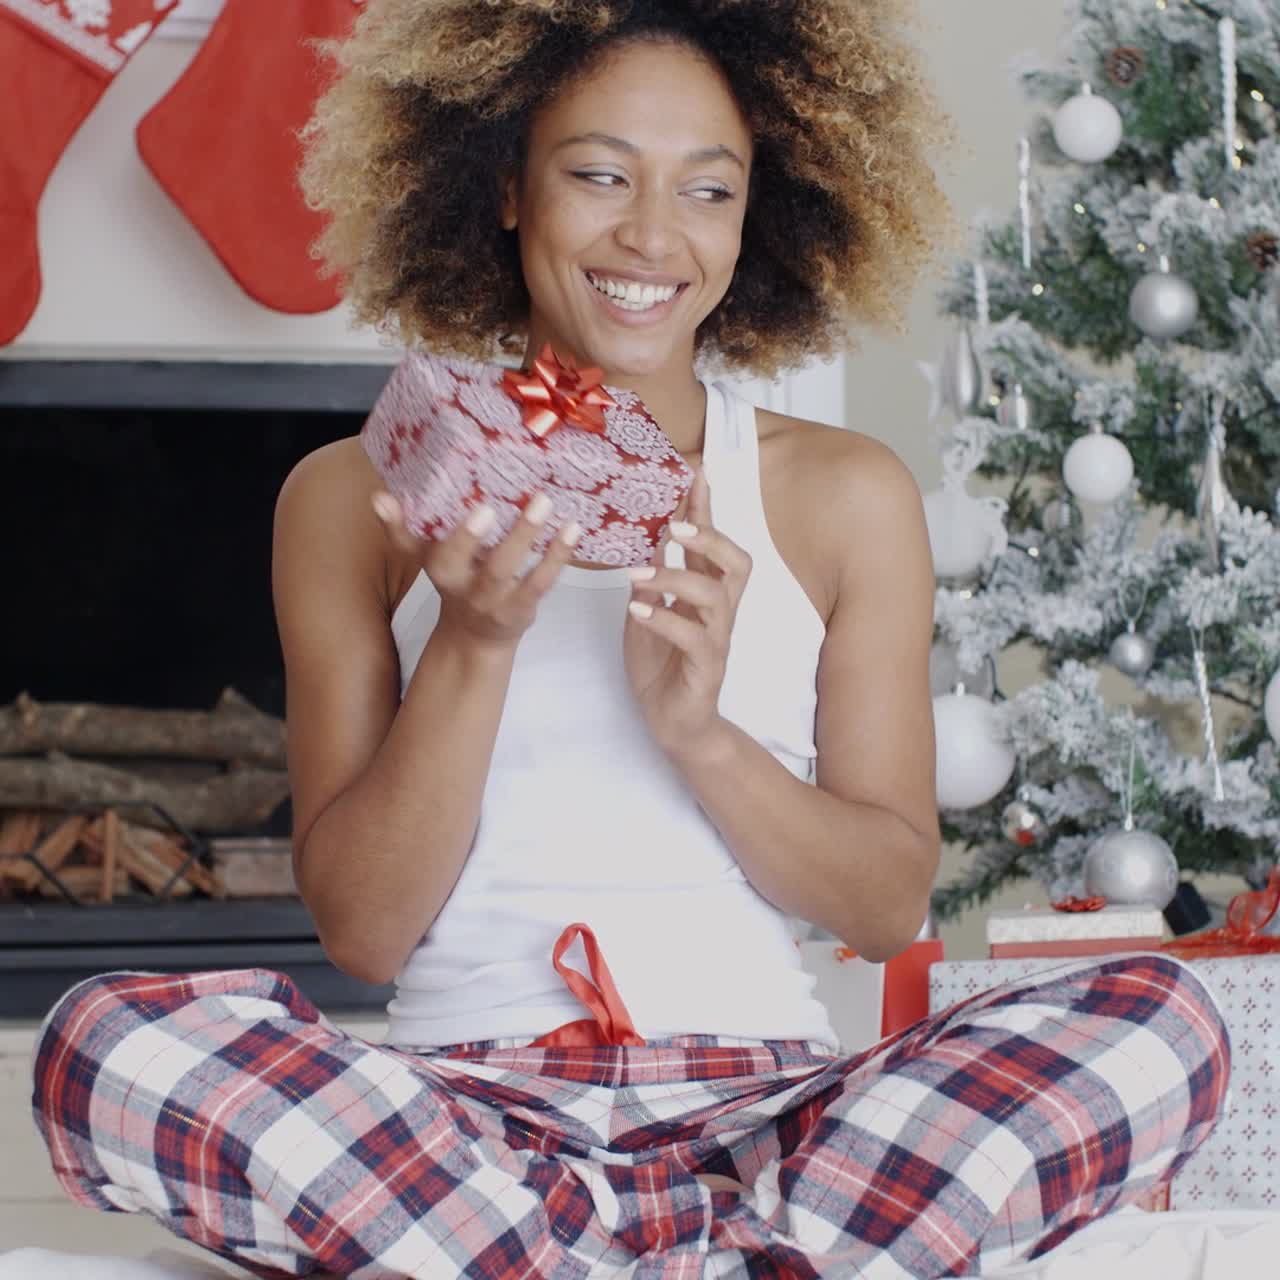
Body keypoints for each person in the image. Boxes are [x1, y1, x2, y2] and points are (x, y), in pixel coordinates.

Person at [31, 2, 1229, 1277]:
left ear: (756, 210)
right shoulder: (353, 495)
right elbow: (366, 935)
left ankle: (570, 1258)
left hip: (773, 1120)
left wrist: (698, 732)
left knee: (1162, 1023)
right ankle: (724, 1263)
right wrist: (474, 641)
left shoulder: (839, 493)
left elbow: (884, 907)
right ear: (503, 185)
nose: (652, 237)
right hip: (466, 1119)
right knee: (102, 1041)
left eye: (706, 190)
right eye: (598, 174)